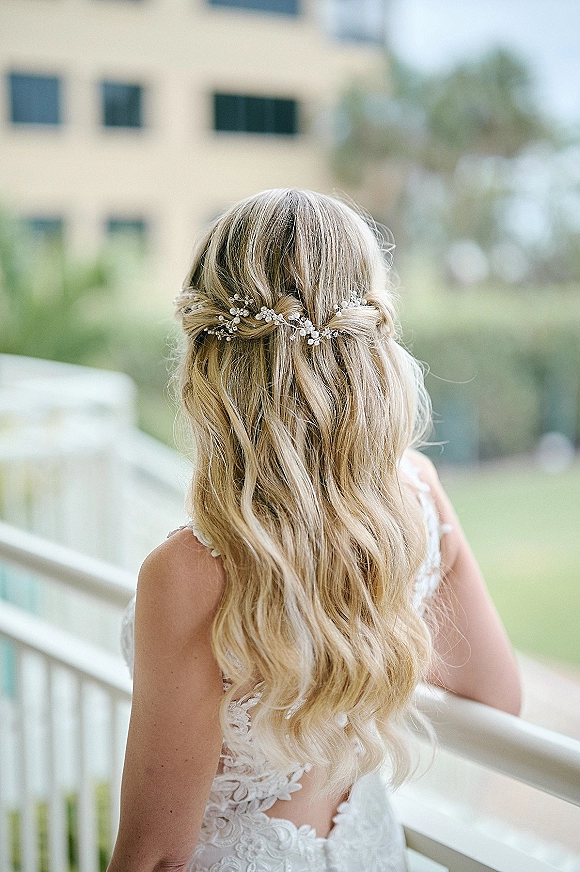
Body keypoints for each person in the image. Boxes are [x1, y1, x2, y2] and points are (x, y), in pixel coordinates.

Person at [107, 189, 521, 872]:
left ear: (210, 358)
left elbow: (155, 858)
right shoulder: (416, 498)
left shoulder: (190, 570)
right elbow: (497, 695)